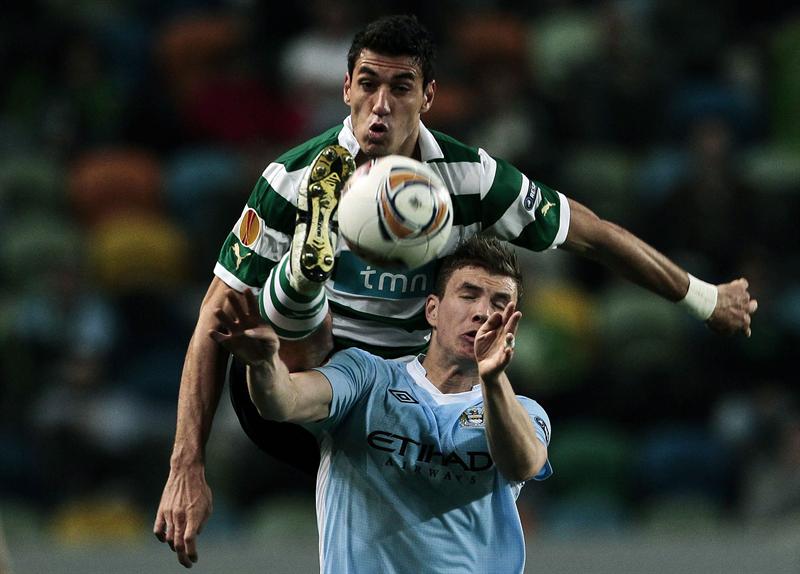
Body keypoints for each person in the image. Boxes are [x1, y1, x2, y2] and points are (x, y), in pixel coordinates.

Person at [154, 14, 758, 568]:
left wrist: (704, 298)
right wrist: (186, 464)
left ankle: (303, 281)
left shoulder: (472, 177)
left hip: (404, 401)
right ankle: (305, 277)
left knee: (454, 446)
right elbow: (214, 315)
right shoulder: (291, 178)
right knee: (285, 337)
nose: (380, 105)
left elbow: (591, 234)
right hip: (309, 385)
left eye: (401, 88)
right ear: (345, 89)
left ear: (429, 96)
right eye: (368, 84)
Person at [213, 236, 552, 573]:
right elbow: (283, 402)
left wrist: (493, 379)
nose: (482, 313)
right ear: (432, 310)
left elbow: (522, 465)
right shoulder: (366, 377)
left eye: (499, 303)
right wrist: (264, 364)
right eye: (468, 295)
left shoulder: (523, 412)